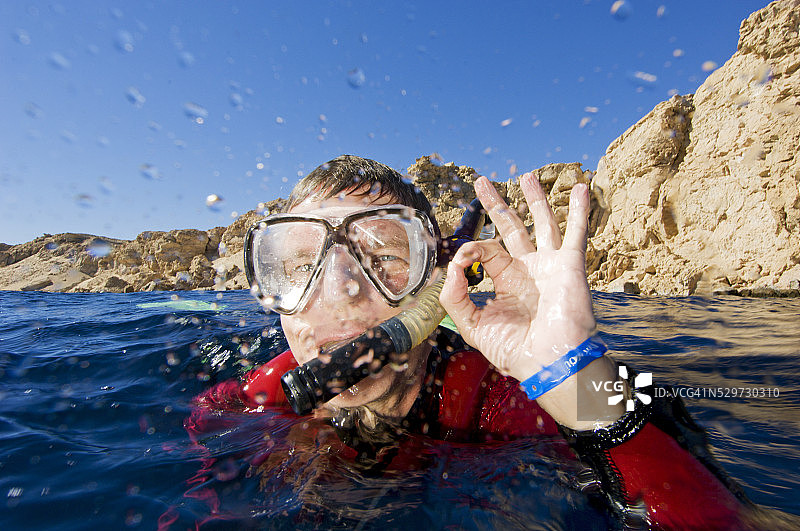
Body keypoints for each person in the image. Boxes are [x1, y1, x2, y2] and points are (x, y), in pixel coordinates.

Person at [165, 155, 755, 529]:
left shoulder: (497, 400)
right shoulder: (242, 404)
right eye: (298, 266)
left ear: (433, 286)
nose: (338, 291)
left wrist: (575, 379)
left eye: (383, 257)